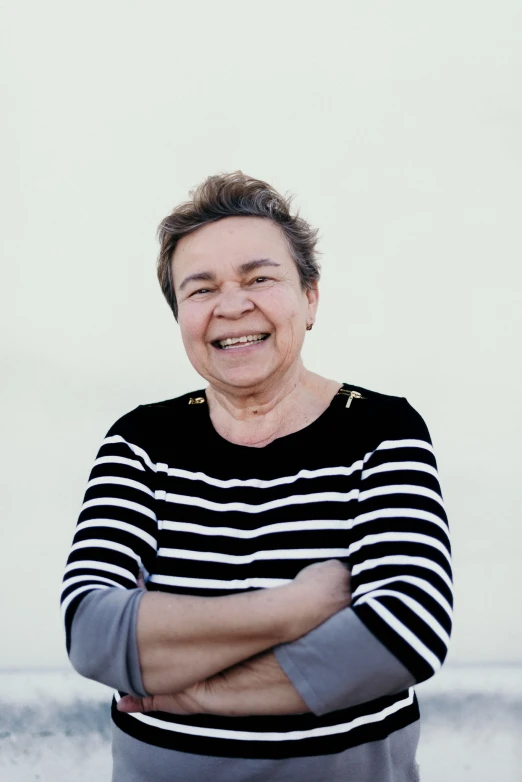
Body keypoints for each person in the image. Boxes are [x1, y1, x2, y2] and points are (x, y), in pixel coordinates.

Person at [60, 171, 453, 782]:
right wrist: (300, 606)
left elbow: (404, 632)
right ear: (181, 316)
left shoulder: (382, 429)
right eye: (201, 289)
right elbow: (92, 632)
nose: (232, 305)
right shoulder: (140, 441)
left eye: (260, 278)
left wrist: (193, 693)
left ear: (311, 298)